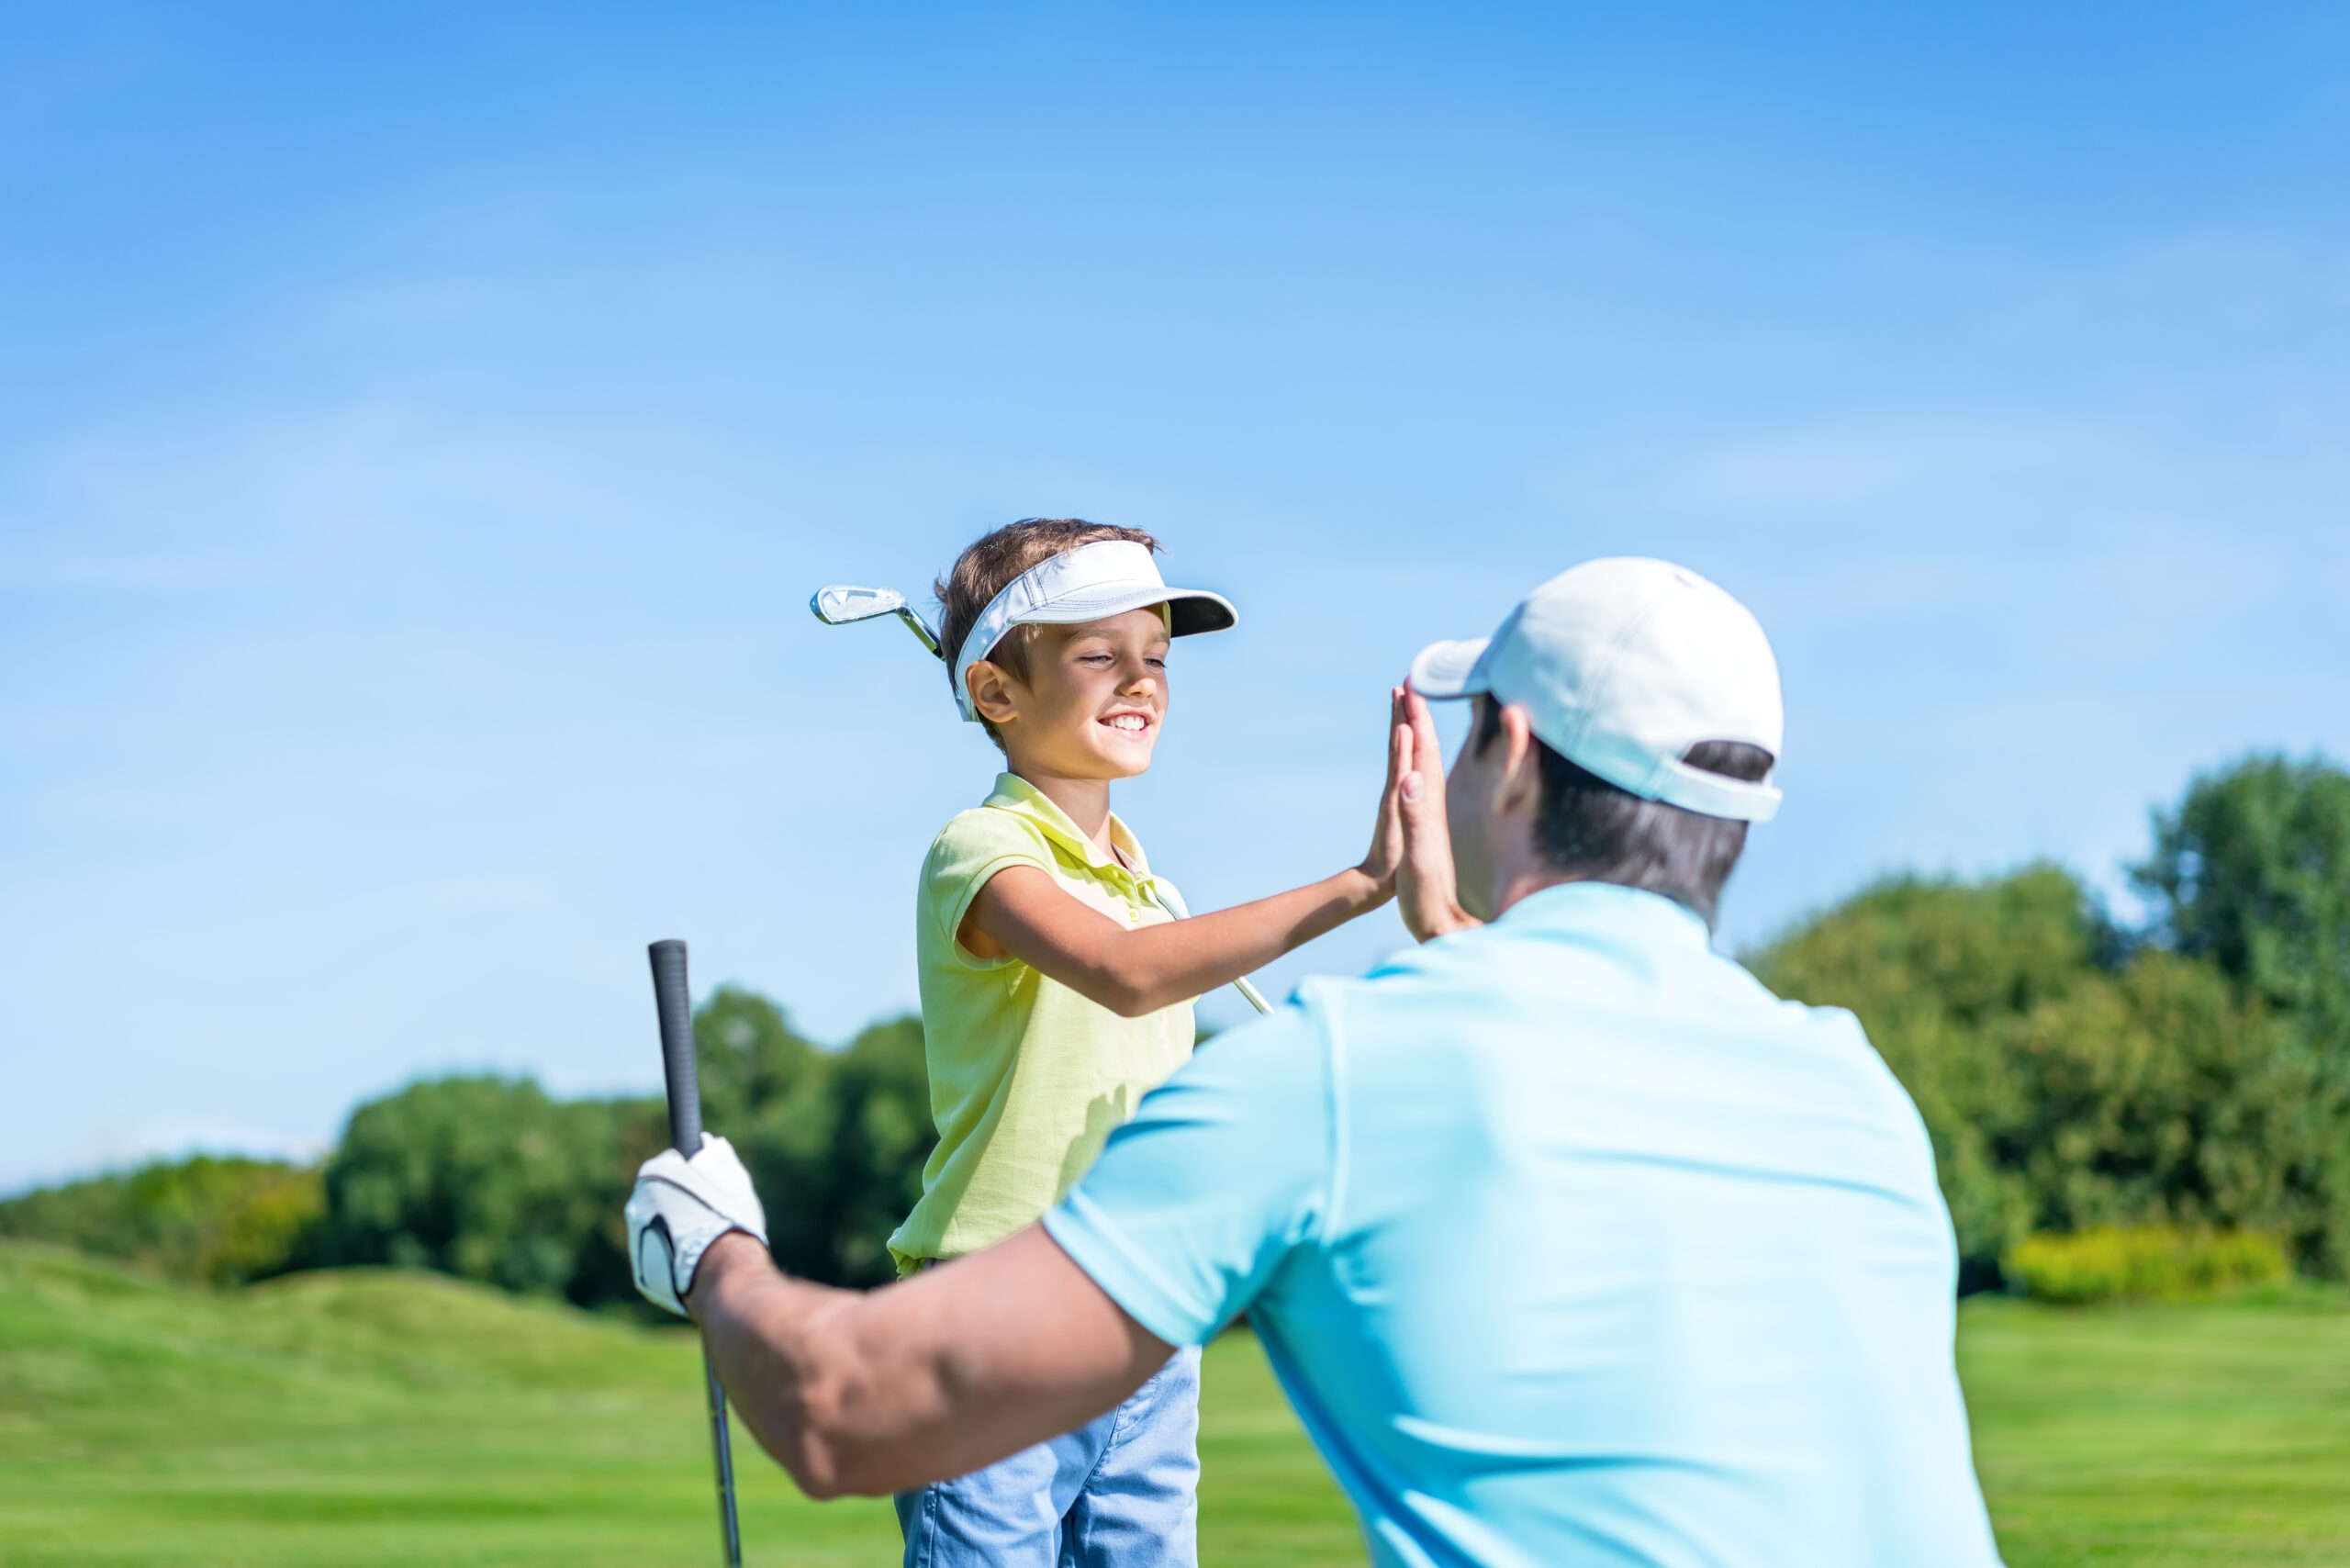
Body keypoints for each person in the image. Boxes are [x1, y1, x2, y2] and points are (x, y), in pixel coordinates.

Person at [627, 556, 2005, 1567]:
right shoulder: (1854, 1089)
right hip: (1022, 1278)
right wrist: (1416, 909)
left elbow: (842, 1412)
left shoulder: (1339, 1071)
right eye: (1101, 654)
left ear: (1508, 758)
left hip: (1109, 1336)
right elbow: (1498, 1039)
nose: (1144, 678)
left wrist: (715, 1251)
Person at [800, 518, 1408, 1566]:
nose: (1142, 682)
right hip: (994, 1308)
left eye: (1157, 657)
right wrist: (1359, 885)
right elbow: (1124, 975)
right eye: (1098, 655)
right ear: (996, 693)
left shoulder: (1147, 883)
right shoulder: (979, 848)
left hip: (1145, 1316)